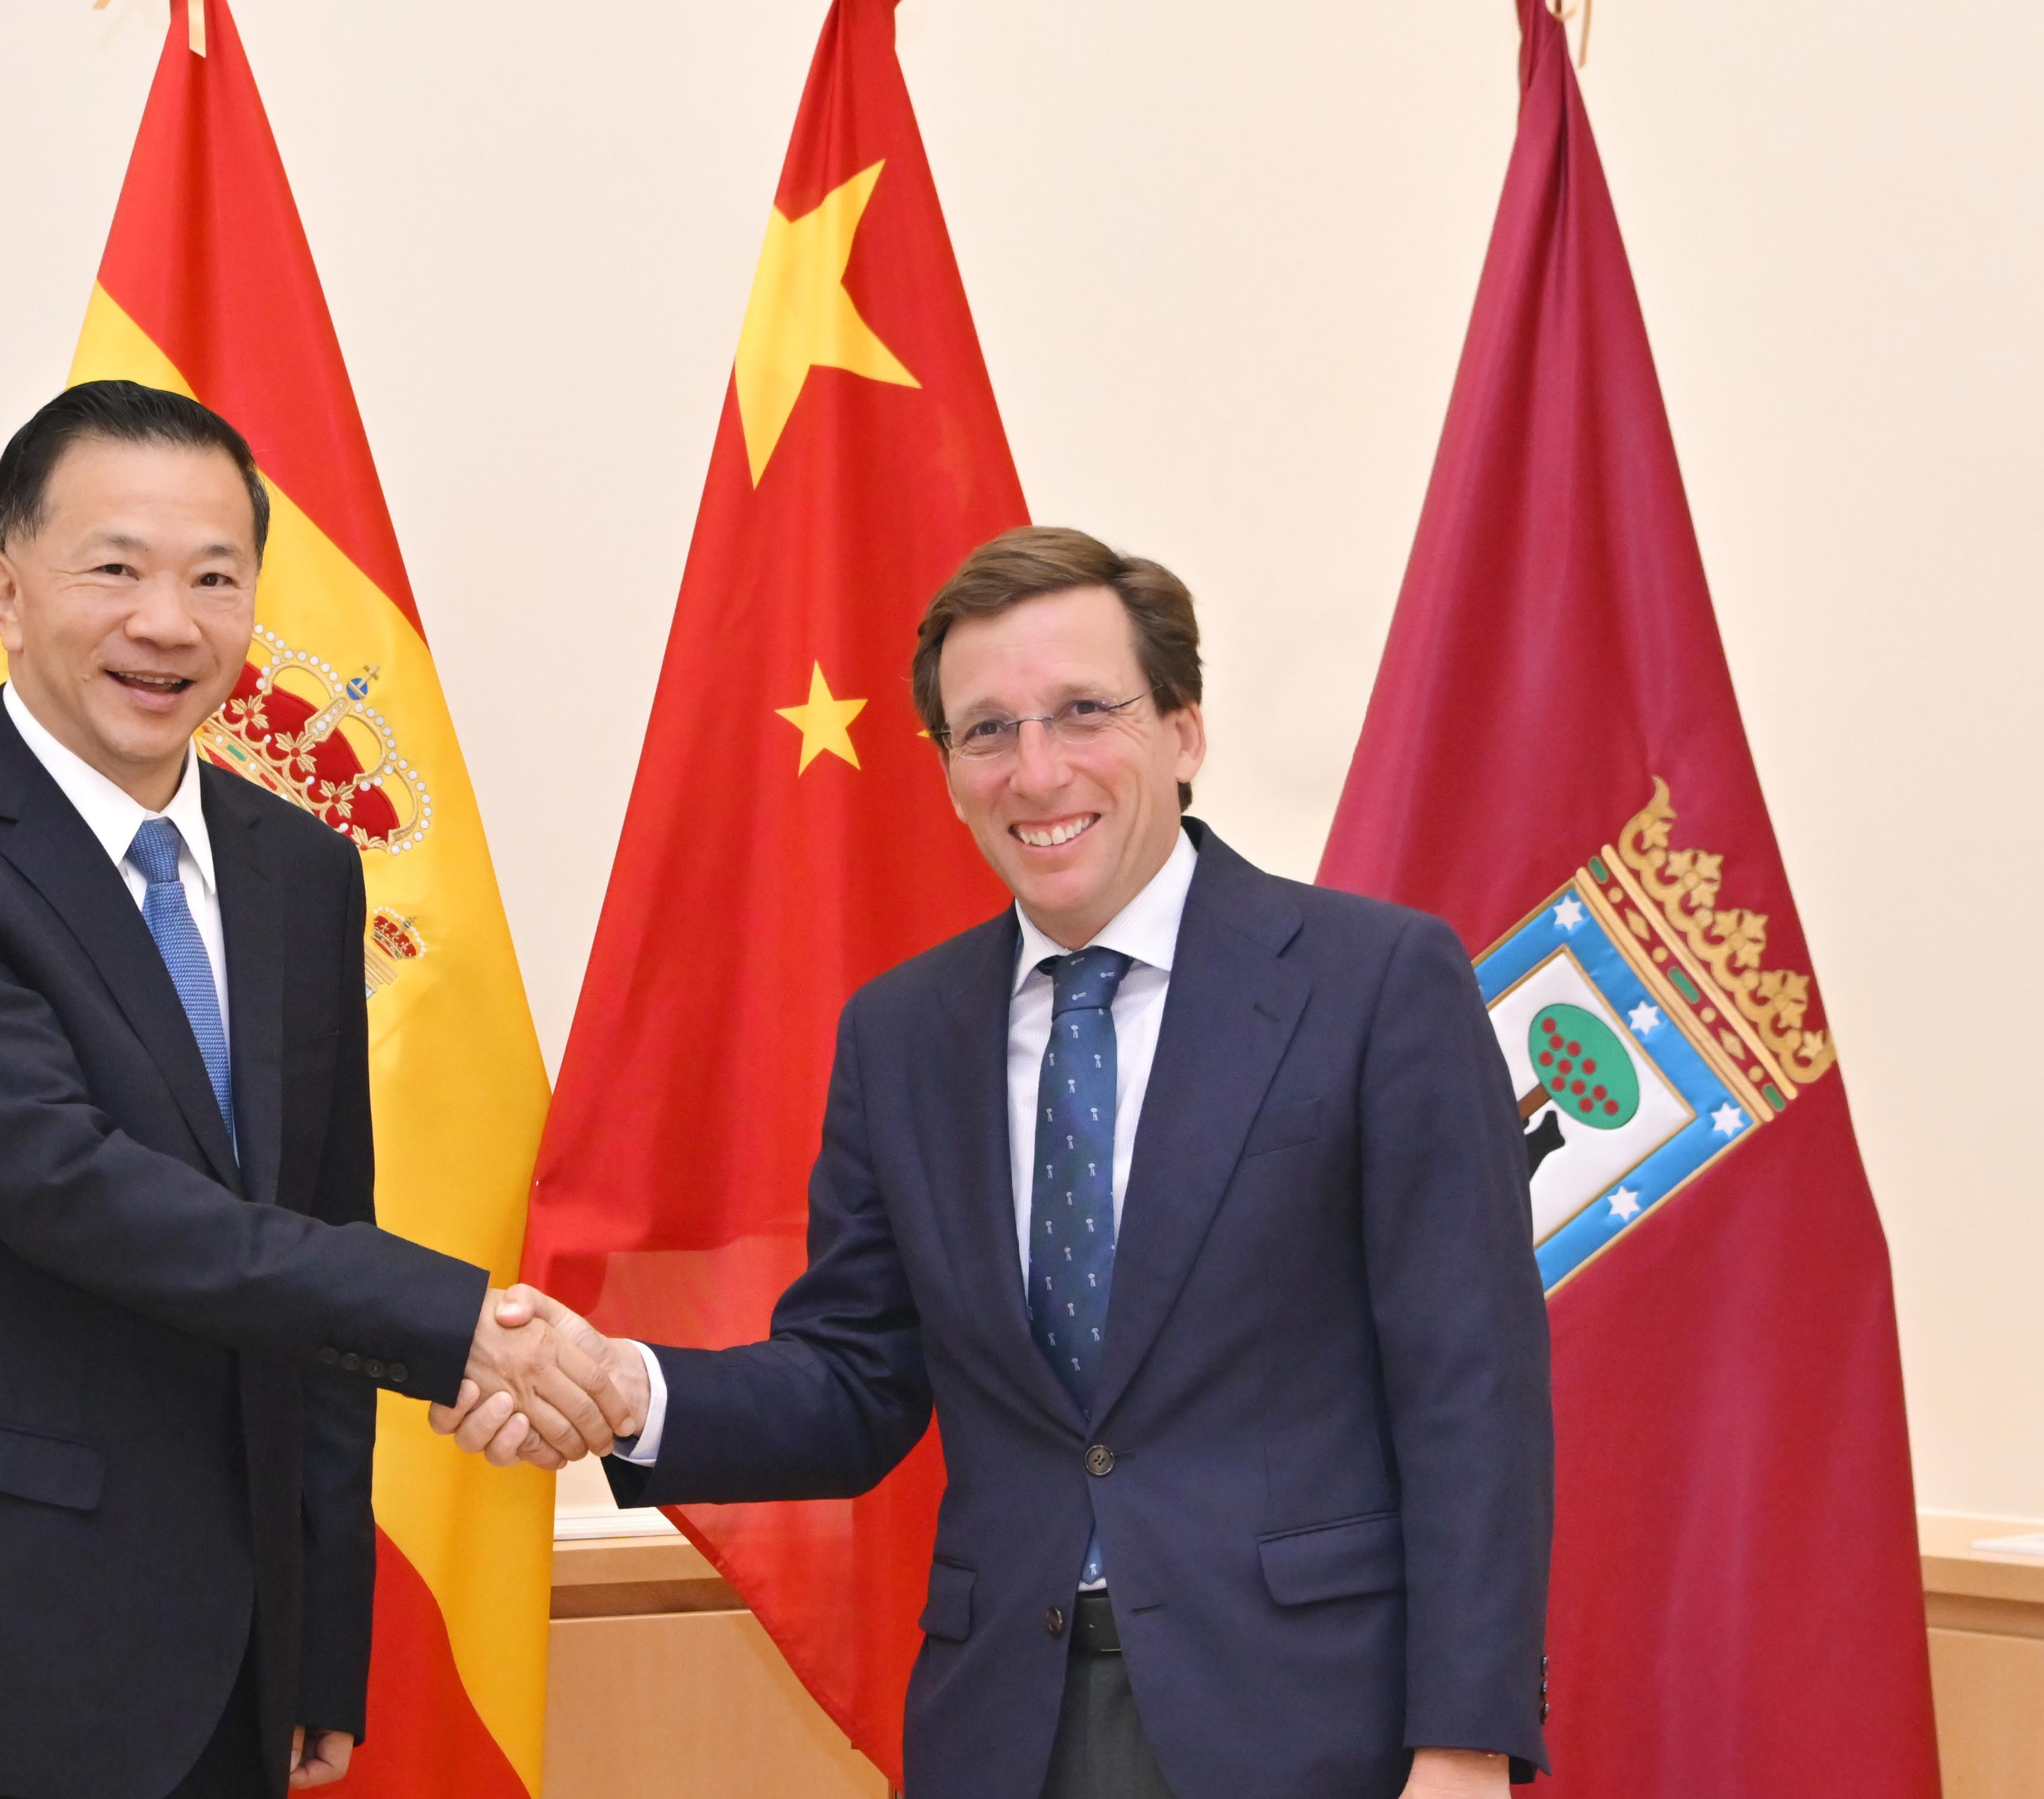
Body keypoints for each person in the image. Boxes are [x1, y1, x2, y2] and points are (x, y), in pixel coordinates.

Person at [442, 527, 1554, 1799]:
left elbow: (1468, 1388)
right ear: (946, 768)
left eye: (1082, 712)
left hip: (1313, 1719)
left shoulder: (1374, 982)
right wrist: (622, 1387)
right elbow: (855, 1381)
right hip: (1004, 1725)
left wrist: (1462, 1745)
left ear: (1183, 730)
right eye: (985, 731)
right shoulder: (902, 1034)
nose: (1035, 771)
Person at [0, 381, 634, 1799]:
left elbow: (321, 1221)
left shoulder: (295, 868)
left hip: (230, 1668)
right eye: (115, 568)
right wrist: (458, 1320)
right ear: (7, 590)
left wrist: (320, 1629)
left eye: (215, 578)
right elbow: (78, 1190)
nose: (168, 622)